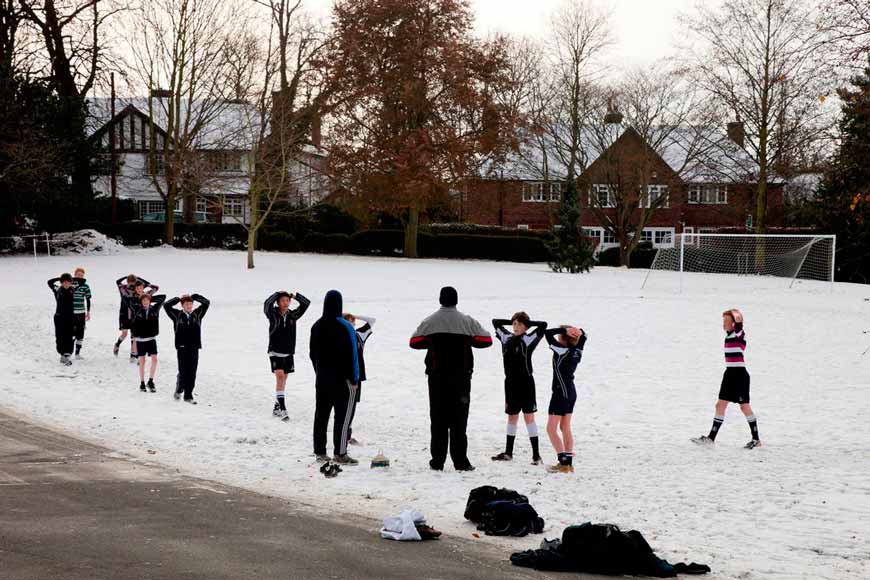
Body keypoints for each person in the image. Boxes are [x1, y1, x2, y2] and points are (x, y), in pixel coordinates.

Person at [409, 286, 492, 472]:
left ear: (440, 299)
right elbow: (486, 341)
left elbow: (413, 342)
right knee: (459, 420)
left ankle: (437, 461)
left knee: (437, 419)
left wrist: (431, 342)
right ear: (456, 300)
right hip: (461, 377)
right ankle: (461, 462)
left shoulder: (430, 321)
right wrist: (468, 341)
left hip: (437, 377)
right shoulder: (467, 321)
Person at [692, 309, 761, 449]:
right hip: (729, 374)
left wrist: (735, 316)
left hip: (740, 375)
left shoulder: (739, 334)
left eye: (726, 321)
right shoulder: (728, 336)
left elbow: (740, 325)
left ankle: (756, 439)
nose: (723, 324)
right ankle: (711, 438)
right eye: (723, 321)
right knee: (720, 405)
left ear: (734, 323)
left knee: (744, 406)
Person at [310, 290, 359, 465]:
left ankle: (320, 451)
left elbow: (312, 353)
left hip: (322, 378)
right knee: (343, 417)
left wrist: (319, 371)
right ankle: (340, 453)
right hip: (342, 380)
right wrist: (354, 378)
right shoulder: (345, 326)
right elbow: (353, 354)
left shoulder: (316, 325)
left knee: (321, 416)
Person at [491, 312, 547, 464]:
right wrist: (513, 321)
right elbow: (495, 321)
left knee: (529, 418)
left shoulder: (528, 339)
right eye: (514, 324)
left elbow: (543, 325)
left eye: (520, 324)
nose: (516, 327)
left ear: (526, 327)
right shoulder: (505, 337)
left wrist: (527, 323)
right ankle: (508, 453)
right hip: (510, 384)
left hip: (526, 383)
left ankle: (536, 455)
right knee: (512, 417)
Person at [544, 325, 587, 474]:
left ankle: (562, 463)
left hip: (560, 394)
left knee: (551, 429)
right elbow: (584, 336)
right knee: (565, 428)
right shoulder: (577, 351)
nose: (557, 338)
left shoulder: (561, 350)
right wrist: (578, 331)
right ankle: (568, 464)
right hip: (571, 392)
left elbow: (547, 333)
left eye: (560, 336)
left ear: (564, 339)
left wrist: (563, 330)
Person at [264, 290, 311, 420]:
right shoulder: (272, 314)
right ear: (278, 303)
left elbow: (306, 304)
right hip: (275, 351)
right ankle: (283, 409)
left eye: (287, 301)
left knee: (284, 379)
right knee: (279, 377)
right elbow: (266, 304)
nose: (285, 303)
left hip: (289, 352)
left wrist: (295, 296)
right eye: (282, 301)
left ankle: (277, 406)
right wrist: (276, 294)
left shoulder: (293, 315)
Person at [164, 293, 210, 404]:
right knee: (183, 371)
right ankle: (179, 388)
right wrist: (178, 299)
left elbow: (206, 303)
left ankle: (188, 395)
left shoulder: (197, 314)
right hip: (182, 348)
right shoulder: (177, 315)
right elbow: (166, 305)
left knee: (192, 372)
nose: (189, 306)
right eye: (186, 304)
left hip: (194, 347)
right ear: (182, 305)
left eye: (190, 304)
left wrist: (194, 296)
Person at [342, 313, 375, 445]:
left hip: (357, 375)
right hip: (343, 376)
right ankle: (343, 435)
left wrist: (355, 315)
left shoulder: (359, 335)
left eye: (353, 322)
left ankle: (347, 435)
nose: (352, 324)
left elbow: (372, 320)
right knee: (344, 405)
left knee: (352, 405)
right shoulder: (340, 336)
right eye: (349, 322)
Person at [114, 275, 158, 362]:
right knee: (124, 334)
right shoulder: (124, 290)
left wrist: (138, 279)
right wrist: (126, 277)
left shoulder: (137, 291)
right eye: (130, 283)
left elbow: (153, 287)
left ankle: (132, 355)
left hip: (134, 317)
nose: (132, 285)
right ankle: (117, 344)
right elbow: (118, 282)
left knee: (133, 336)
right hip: (124, 315)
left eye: (133, 283)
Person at [130, 292, 166, 392]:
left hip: (151, 339)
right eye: (143, 301)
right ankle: (142, 383)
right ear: (141, 302)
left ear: (150, 301)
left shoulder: (155, 309)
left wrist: (149, 297)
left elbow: (163, 297)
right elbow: (129, 300)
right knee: (142, 361)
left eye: (147, 300)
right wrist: (141, 297)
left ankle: (150, 381)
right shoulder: (137, 309)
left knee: (154, 359)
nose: (145, 302)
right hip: (140, 340)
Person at [47, 273, 76, 366]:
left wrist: (71, 279)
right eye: (64, 282)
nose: (66, 284)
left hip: (70, 316)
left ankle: (67, 354)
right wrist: (61, 278)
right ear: (61, 282)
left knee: (70, 335)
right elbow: (49, 282)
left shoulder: (73, 289)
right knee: (60, 336)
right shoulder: (57, 290)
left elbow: (83, 281)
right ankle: (62, 353)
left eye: (68, 282)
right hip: (59, 317)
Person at [71, 267, 92, 359]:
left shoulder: (85, 286)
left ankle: (77, 353)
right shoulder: (70, 284)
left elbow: (88, 299)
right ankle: (69, 352)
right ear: (75, 274)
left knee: (80, 333)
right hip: (72, 312)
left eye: (81, 275)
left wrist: (88, 312)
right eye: (78, 275)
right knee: (71, 333)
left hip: (81, 312)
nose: (80, 276)